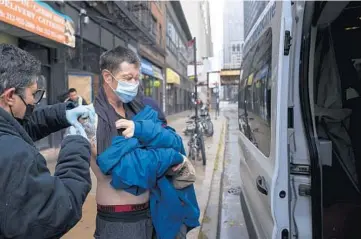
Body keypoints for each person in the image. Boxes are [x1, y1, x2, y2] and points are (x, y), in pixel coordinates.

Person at [91, 46, 199, 239]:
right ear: (108, 77)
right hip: (119, 223)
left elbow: (175, 142)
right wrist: (172, 157)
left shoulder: (143, 109)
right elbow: (130, 168)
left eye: (136, 77)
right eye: (127, 78)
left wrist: (142, 130)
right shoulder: (92, 119)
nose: (134, 83)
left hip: (153, 213)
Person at [0, 44, 94, 238]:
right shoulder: (16, 156)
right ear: (10, 96)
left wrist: (62, 114)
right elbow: (56, 211)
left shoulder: (7, 132)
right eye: (33, 94)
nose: (35, 101)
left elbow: (18, 126)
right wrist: (76, 145)